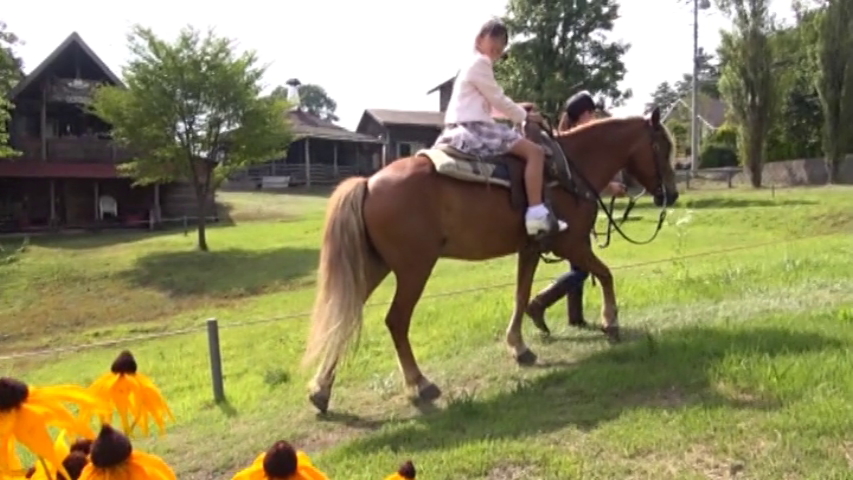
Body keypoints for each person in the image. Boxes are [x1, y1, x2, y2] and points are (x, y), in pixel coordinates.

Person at [434, 18, 567, 237]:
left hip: (467, 123)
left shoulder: (472, 65)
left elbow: (490, 105)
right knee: (535, 152)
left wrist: (518, 109)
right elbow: (497, 98)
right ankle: (536, 213)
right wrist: (525, 116)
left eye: (503, 42)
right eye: (494, 39)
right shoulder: (480, 64)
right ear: (480, 39)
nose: (498, 46)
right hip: (474, 127)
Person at [526, 90, 627, 330]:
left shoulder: (563, 140)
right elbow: (578, 181)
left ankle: (575, 316)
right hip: (571, 213)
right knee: (582, 267)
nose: (594, 119)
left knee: (579, 265)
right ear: (584, 114)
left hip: (571, 211)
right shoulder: (574, 145)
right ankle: (540, 303)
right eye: (592, 114)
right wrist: (610, 187)